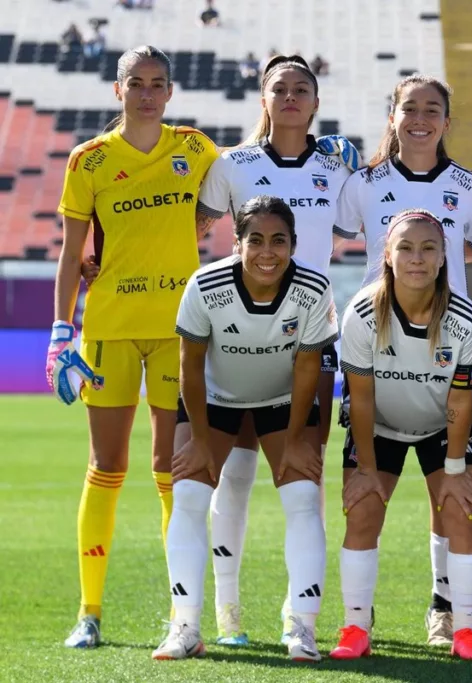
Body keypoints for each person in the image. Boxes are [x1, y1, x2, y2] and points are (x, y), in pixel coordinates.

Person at [51, 45, 218, 649]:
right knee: (107, 466)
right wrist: (59, 331)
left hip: (180, 328)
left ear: (170, 91)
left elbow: (249, 173)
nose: (148, 93)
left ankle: (184, 615)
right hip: (109, 327)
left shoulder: (195, 149)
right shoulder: (89, 159)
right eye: (136, 83)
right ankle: (89, 612)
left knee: (171, 469)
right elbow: (73, 254)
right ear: (117, 91)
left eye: (158, 83)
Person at [194, 53, 358, 646]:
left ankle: (300, 621)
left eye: (301, 89)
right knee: (232, 480)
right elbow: (186, 232)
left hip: (311, 339)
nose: (290, 97)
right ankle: (227, 614)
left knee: (303, 480)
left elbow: (387, 219)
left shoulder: (340, 166)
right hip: (238, 341)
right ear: (263, 100)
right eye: (279, 89)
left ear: (316, 102)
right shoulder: (231, 165)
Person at [334, 75, 472, 646]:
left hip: (443, 345)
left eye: (433, 109)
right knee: (363, 502)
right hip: (382, 342)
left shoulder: (470, 188)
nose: (421, 118)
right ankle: (356, 623)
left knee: (453, 499)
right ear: (392, 116)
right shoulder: (363, 182)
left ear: (447, 121)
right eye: (410, 108)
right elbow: (317, 232)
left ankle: (451, 614)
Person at [151, 195, 337, 662]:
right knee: (189, 495)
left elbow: (307, 370)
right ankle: (186, 625)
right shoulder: (205, 284)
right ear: (237, 243)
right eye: (255, 240)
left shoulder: (314, 288)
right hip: (213, 402)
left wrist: (297, 440)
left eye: (279, 240)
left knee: (302, 497)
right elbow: (189, 367)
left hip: (282, 402)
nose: (267, 251)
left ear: (294, 244)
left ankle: (301, 625)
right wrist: (196, 439)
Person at [330, 209, 472, 662]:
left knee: (461, 511)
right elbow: (359, 399)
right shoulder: (362, 313)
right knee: (361, 510)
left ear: (443, 258)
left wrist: (457, 470)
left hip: (443, 426)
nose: (416, 258)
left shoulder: (463, 318)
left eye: (428, 249)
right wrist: (364, 468)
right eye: (405, 247)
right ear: (387, 254)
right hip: (378, 425)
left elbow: (461, 400)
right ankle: (356, 626)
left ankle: (463, 630)